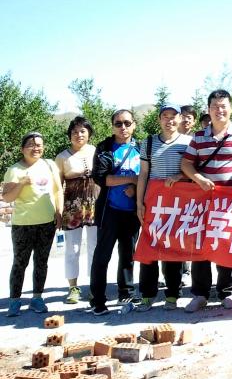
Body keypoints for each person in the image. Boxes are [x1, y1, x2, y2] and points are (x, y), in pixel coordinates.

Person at [180, 89, 232, 314]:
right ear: (208, 109)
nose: (219, 110)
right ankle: (200, 294)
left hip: (231, 201)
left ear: (231, 108)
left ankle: (227, 292)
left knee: (227, 244)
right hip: (204, 200)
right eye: (215, 107)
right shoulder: (198, 137)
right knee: (201, 244)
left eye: (223, 106)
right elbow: (186, 164)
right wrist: (199, 178)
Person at [136, 105, 191, 310]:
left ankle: (172, 294)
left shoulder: (189, 142)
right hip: (153, 203)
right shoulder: (149, 143)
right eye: (165, 116)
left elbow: (195, 170)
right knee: (149, 247)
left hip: (178, 204)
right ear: (159, 120)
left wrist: (180, 176)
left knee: (173, 247)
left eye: (173, 116)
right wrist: (139, 203)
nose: (169, 120)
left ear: (180, 119)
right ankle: (147, 294)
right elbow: (143, 173)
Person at [89, 109, 142, 316]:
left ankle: (126, 293)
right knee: (102, 256)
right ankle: (98, 300)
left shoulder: (141, 148)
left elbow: (147, 177)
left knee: (128, 255)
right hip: (109, 210)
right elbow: (102, 178)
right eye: (118, 123)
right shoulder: (104, 148)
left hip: (132, 211)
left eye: (127, 123)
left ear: (134, 125)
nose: (123, 127)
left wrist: (135, 188)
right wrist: (132, 179)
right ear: (112, 126)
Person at [3, 132, 62, 316]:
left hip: (47, 222)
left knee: (41, 262)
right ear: (22, 149)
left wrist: (59, 212)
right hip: (23, 224)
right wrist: (21, 183)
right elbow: (7, 197)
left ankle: (37, 298)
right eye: (31, 144)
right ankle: (14, 301)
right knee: (20, 262)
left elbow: (58, 191)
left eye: (39, 144)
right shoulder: (14, 170)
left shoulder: (49, 165)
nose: (36, 148)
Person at [55, 116, 97, 304]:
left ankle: (94, 286)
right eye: (74, 132)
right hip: (72, 207)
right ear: (69, 135)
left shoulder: (96, 151)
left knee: (94, 247)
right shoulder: (62, 157)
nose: (78, 135)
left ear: (89, 133)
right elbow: (57, 187)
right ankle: (73, 288)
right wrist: (58, 211)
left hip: (95, 205)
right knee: (72, 248)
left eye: (82, 131)